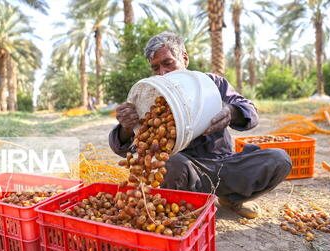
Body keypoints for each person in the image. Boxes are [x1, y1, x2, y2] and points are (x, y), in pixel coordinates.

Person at [109, 31, 292, 219]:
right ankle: (186, 206)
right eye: (156, 68)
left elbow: (250, 112)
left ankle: (233, 199)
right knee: (171, 162)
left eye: (168, 63)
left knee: (279, 159)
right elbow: (126, 147)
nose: (162, 73)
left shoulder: (211, 84)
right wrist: (127, 127)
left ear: (185, 58)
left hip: (223, 165)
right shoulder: (154, 96)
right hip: (187, 172)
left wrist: (231, 111)